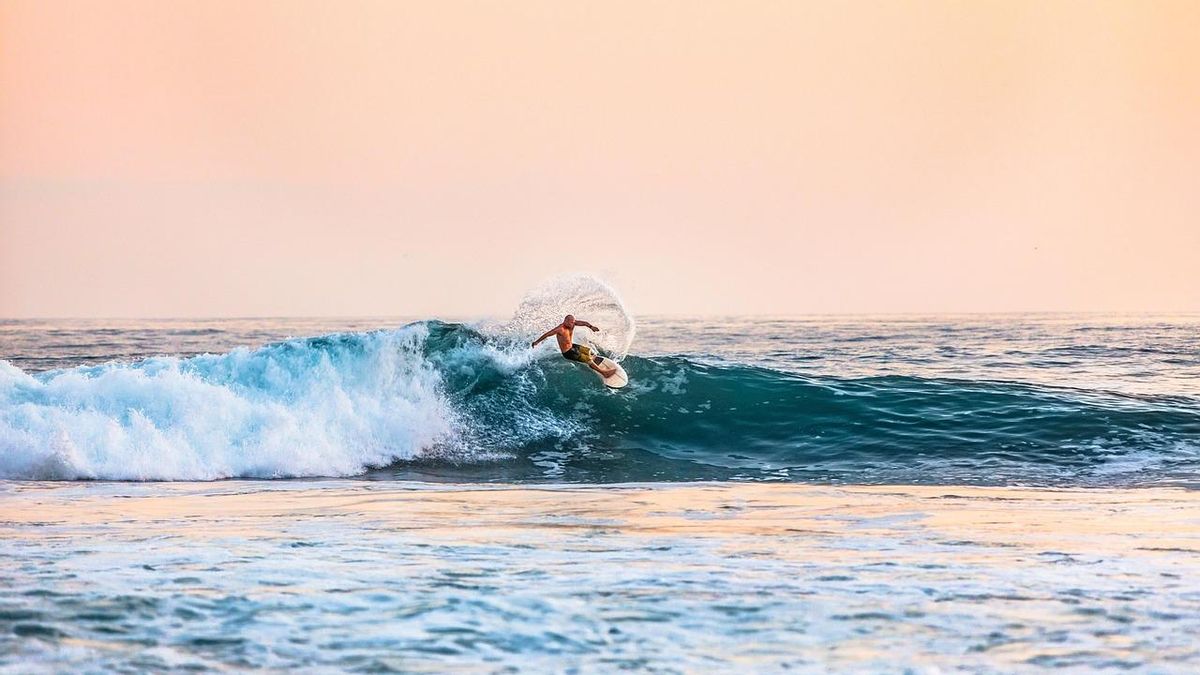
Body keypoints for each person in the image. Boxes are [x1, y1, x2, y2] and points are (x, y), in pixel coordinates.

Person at [531, 314, 617, 378]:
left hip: (572, 346)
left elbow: (583, 323)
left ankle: (593, 361)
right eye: (571, 322)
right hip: (568, 352)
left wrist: (591, 327)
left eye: (573, 322)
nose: (573, 324)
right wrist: (537, 342)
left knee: (588, 350)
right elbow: (547, 334)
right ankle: (604, 373)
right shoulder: (560, 329)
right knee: (587, 359)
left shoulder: (572, 323)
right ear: (566, 321)